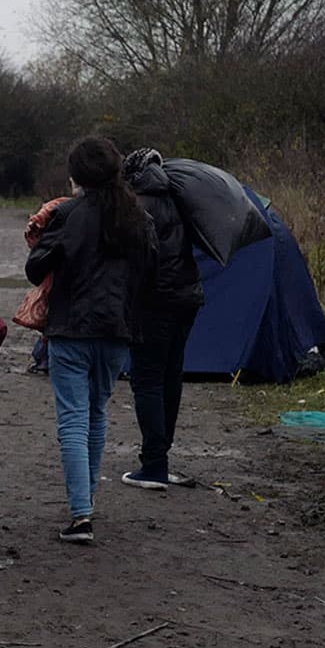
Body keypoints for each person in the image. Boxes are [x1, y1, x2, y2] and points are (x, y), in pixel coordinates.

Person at [25, 136, 151, 544]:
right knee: (96, 412)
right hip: (117, 332)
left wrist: (41, 237)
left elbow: (35, 268)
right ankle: (88, 501)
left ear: (76, 176)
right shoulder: (139, 219)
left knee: (73, 420)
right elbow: (151, 273)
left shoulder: (69, 215)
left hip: (71, 329)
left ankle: (82, 515)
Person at [121, 148, 204, 489]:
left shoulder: (137, 206)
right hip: (188, 298)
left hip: (155, 303)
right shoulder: (181, 199)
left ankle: (153, 464)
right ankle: (161, 457)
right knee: (171, 376)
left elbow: (134, 261)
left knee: (147, 380)